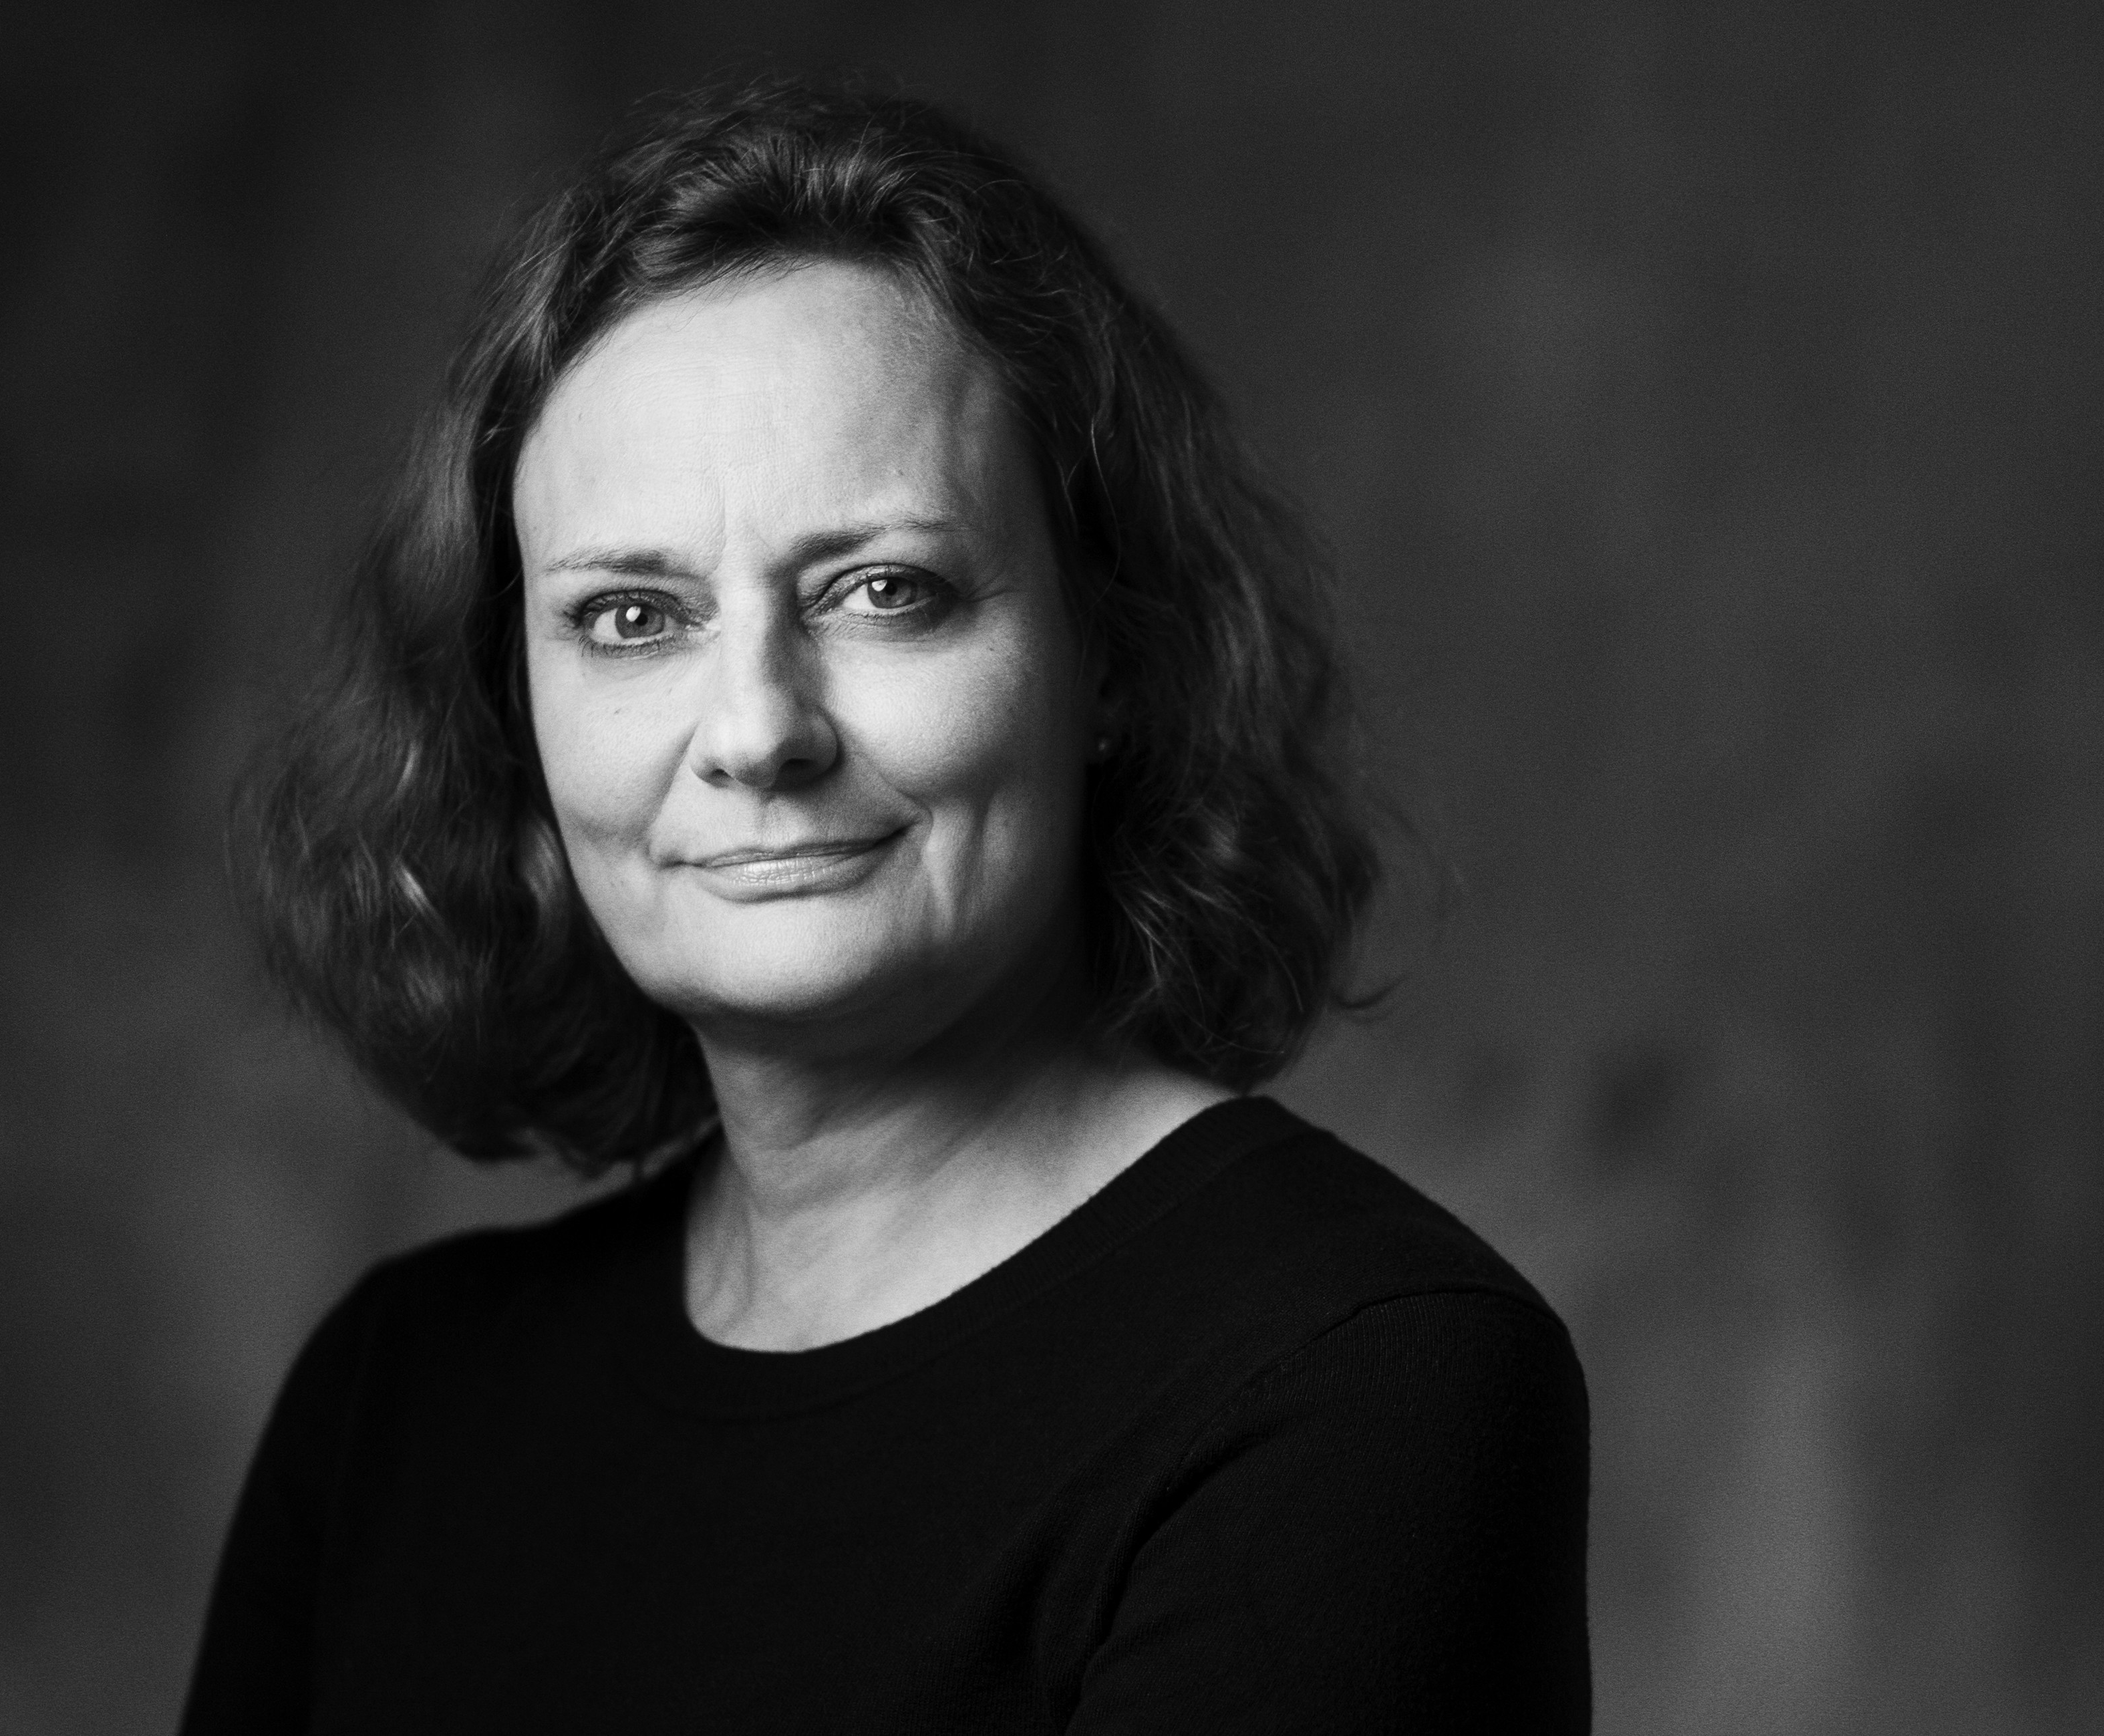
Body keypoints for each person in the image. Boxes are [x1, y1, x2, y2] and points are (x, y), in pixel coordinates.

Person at [180, 80, 1589, 1735]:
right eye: (632, 617)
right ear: (515, 703)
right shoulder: (396, 1398)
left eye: (880, 591)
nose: (757, 732)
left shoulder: (1359, 1379)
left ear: (1108, 654)